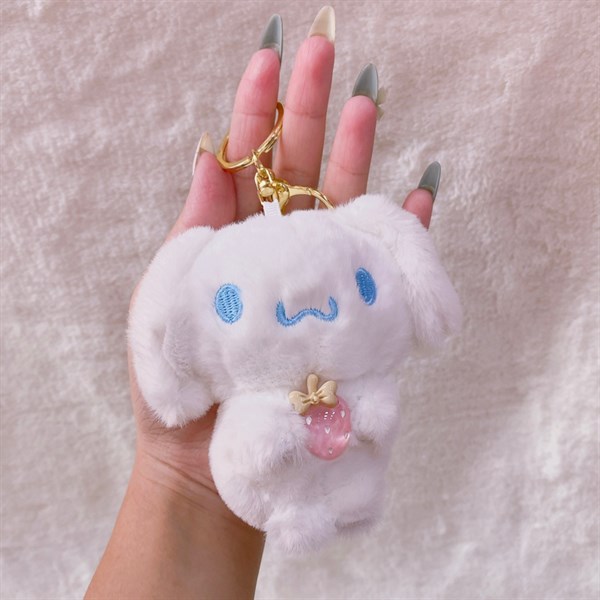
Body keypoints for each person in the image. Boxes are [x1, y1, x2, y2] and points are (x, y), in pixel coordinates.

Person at [85, 7, 439, 599]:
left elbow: (378, 412)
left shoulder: (351, 353)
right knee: (256, 453)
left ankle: (352, 502)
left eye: (363, 287)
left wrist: (368, 410)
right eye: (231, 305)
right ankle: (298, 513)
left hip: (343, 461)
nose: (308, 313)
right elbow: (246, 449)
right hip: (251, 476)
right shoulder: (218, 319)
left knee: (358, 472)